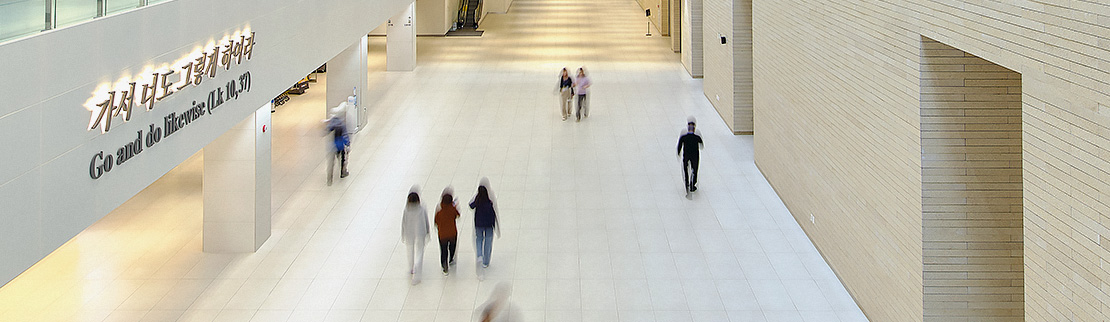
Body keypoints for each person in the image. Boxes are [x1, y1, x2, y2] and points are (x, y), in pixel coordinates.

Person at [401, 187, 430, 284]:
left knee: (410, 250)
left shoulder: (406, 210)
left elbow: (403, 222)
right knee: (420, 252)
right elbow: (426, 220)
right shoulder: (421, 209)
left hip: (409, 233)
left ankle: (411, 267)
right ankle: (417, 271)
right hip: (420, 233)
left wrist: (403, 234)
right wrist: (428, 232)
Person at [469, 178, 500, 269]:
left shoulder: (477, 198)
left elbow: (471, 205)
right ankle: (486, 261)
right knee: (488, 241)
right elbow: (495, 211)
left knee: (479, 239)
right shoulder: (490, 199)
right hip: (489, 224)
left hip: (479, 224)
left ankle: (479, 255)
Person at [434, 187, 460, 275]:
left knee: (443, 250)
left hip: (442, 234)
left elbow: (436, 221)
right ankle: (451, 259)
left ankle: (444, 267)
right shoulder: (452, 209)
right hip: (452, 233)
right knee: (452, 247)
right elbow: (457, 215)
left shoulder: (439, 211)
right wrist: (455, 206)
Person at [677, 117, 704, 193]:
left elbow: (679, 145)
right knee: (694, 169)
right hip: (695, 156)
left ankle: (687, 182)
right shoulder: (697, 137)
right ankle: (692, 184)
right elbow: (702, 145)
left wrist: (678, 152)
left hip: (686, 155)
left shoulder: (684, 137)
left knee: (685, 169)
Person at [325, 109, 350, 186]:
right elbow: (345, 135)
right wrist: (348, 144)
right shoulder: (342, 124)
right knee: (342, 159)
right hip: (340, 145)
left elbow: (327, 130)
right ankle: (343, 172)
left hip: (333, 145)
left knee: (331, 162)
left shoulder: (332, 122)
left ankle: (329, 177)